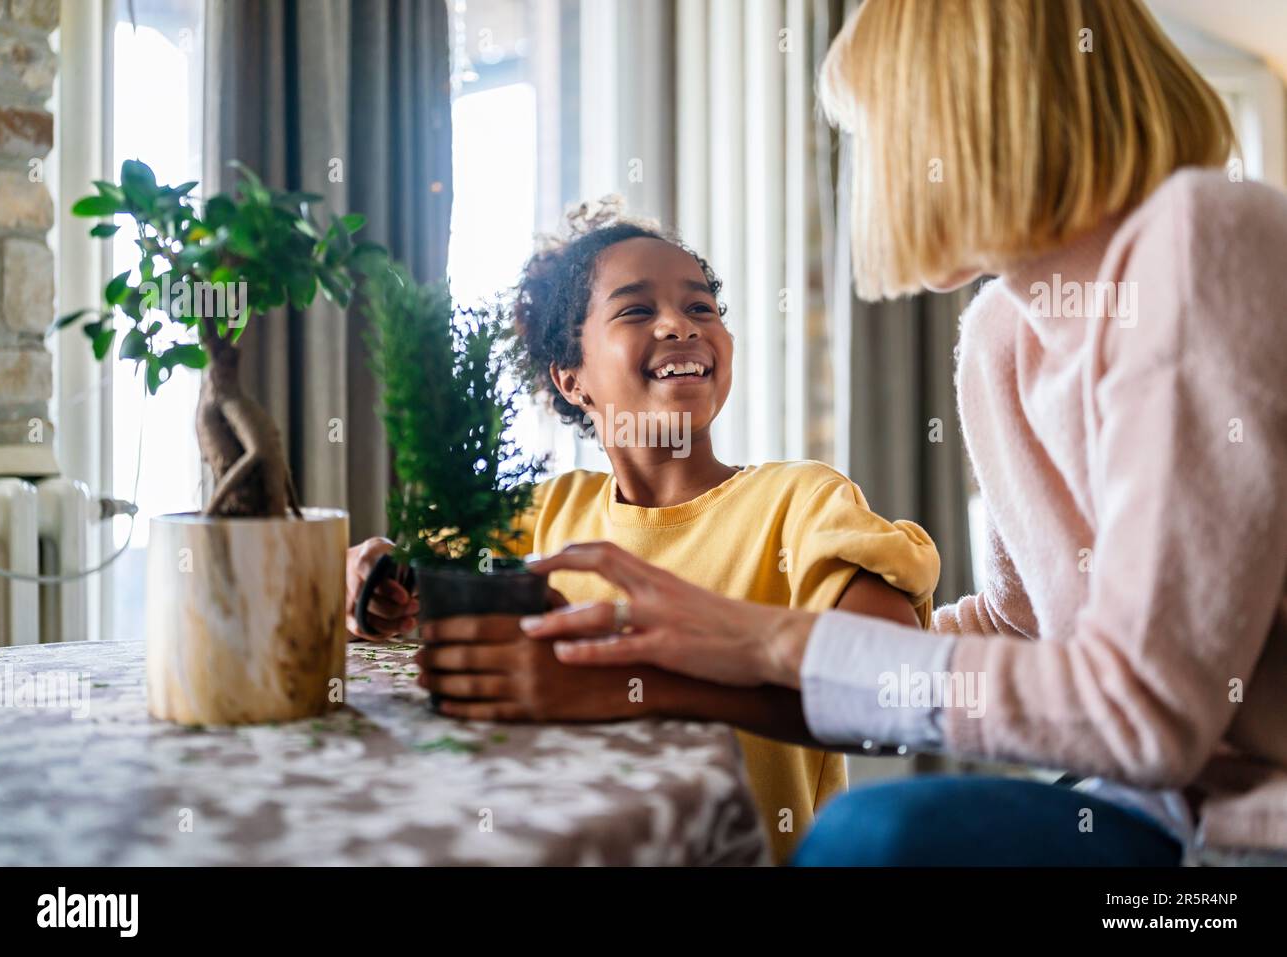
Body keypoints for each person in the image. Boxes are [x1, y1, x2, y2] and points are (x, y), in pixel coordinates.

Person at [491, 0, 1287, 865]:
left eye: (877, 128)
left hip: (1248, 838)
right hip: (1151, 813)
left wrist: (770, 639)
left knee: (873, 836)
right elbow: (1019, 630)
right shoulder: (1000, 338)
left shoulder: (1206, 238)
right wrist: (735, 656)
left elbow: (1144, 709)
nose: (873, 168)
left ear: (972, 108)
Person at [345, 202, 940, 862]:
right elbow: (408, 579)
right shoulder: (543, 513)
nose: (679, 324)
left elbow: (899, 691)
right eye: (635, 309)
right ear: (571, 380)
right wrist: (373, 581)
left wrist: (618, 682)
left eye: (702, 307)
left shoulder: (799, 503)